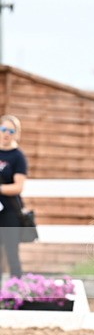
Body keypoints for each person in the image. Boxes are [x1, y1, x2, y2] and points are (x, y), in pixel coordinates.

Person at [0, 114, 28, 277]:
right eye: (3, 129)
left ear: (16, 134)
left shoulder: (18, 157)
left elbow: (18, 187)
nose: (6, 133)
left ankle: (15, 297)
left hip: (10, 212)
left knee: (12, 255)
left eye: (11, 131)